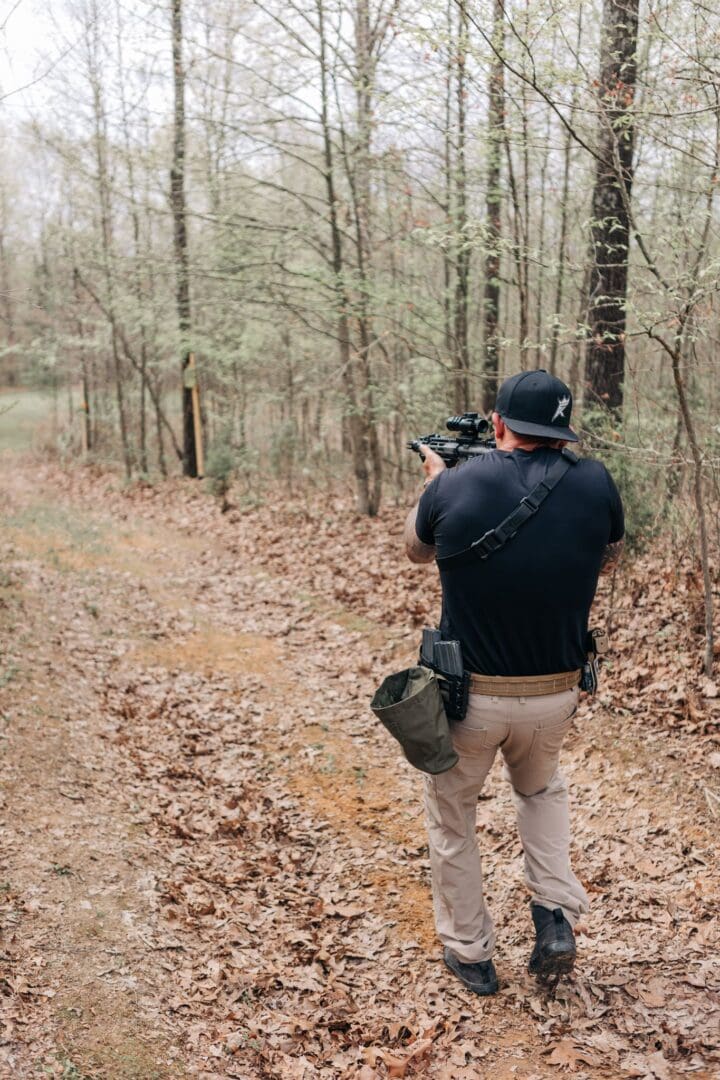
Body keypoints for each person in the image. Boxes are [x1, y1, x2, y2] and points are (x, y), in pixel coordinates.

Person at [404, 369, 624, 995]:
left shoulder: (454, 483)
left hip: (467, 695)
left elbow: (417, 551)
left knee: (453, 817)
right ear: (561, 427)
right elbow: (607, 551)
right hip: (556, 691)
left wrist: (435, 485)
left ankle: (470, 953)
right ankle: (553, 915)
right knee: (542, 792)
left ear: (498, 424)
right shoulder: (597, 482)